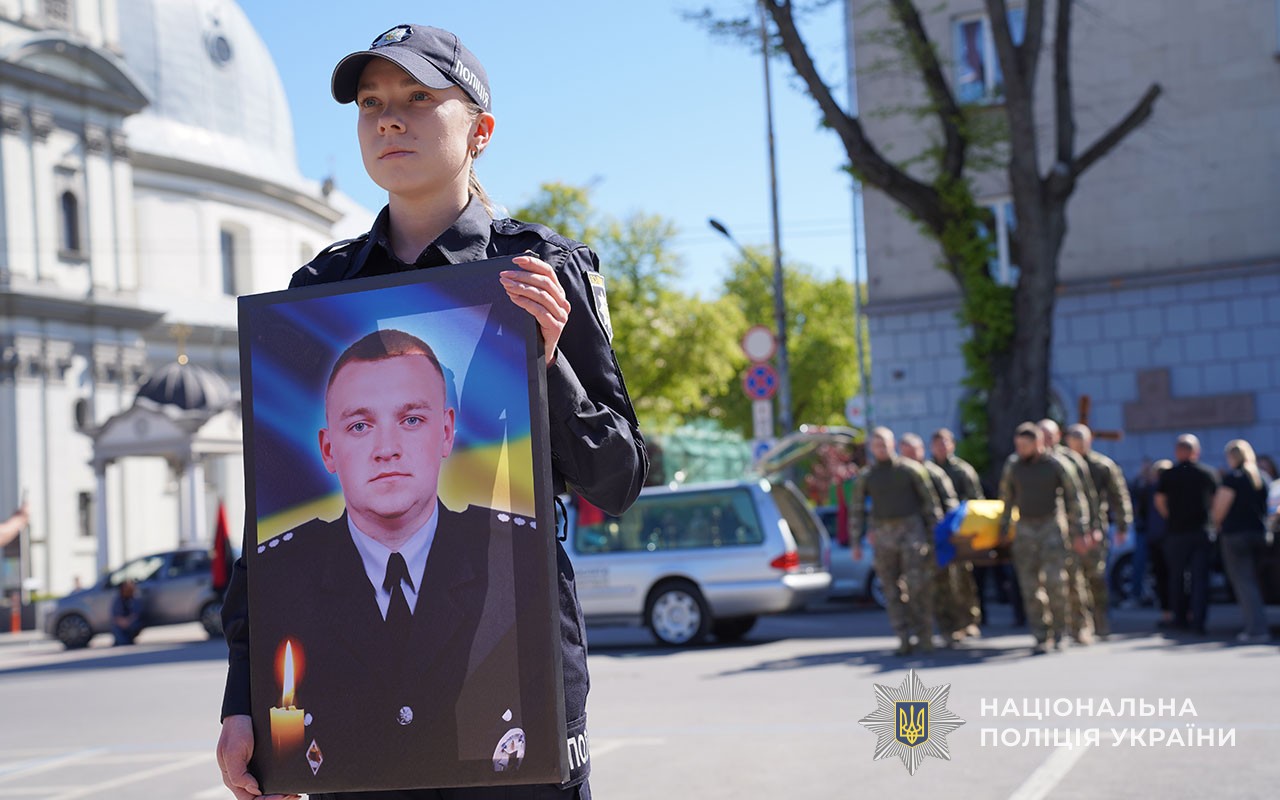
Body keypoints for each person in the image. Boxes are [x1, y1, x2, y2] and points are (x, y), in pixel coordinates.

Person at [216, 23, 648, 800]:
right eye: (372, 102)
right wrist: (243, 704)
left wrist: (548, 363)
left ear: (479, 130)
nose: (389, 118)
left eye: (420, 98)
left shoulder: (542, 270)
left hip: (513, 692)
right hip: (350, 717)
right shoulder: (316, 292)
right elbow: (266, 525)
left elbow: (616, 479)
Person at [245, 329, 533, 791]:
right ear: (327, 449)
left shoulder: (515, 558)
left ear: (445, 431)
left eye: (412, 420)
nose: (386, 448)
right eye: (360, 425)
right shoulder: (282, 577)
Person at [850, 427, 943, 655]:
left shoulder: (911, 470)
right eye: (877, 445)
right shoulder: (867, 476)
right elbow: (857, 510)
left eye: (885, 444)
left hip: (912, 533)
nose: (881, 449)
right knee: (891, 590)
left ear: (893, 444)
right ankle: (903, 637)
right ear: (872, 448)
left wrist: (936, 536)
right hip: (883, 537)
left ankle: (925, 636)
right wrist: (855, 541)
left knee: (917, 586)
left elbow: (930, 503)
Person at [998, 423, 1088, 655]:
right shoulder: (1013, 465)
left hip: (1051, 527)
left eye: (1025, 446)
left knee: (1055, 582)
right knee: (1029, 586)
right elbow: (1006, 497)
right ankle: (1041, 634)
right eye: (1018, 446)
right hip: (1025, 528)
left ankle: (1061, 632)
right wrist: (1004, 528)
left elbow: (1075, 498)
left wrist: (1080, 530)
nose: (1020, 450)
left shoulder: (1057, 464)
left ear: (1038, 443)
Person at [1065, 424, 1133, 639]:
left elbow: (1119, 495)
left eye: (1081, 443)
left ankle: (1100, 619)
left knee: (1096, 575)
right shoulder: (1062, 464)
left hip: (1096, 527)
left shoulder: (1103, 466)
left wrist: (1123, 525)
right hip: (1068, 529)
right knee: (1073, 578)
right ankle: (1080, 624)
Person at [1039, 419, 1098, 644]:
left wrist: (1088, 528)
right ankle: (1056, 627)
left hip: (1071, 529)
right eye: (1040, 434)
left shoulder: (1069, 460)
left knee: (1074, 580)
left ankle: (1081, 625)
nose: (1044, 439)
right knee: (1050, 581)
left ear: (1057, 436)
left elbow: (1086, 496)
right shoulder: (1034, 462)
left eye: (1048, 434)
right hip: (1047, 531)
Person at [1154, 434, 1219, 636]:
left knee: (1177, 577)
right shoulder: (1207, 473)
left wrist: (1170, 517)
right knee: (1200, 579)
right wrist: (1212, 521)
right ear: (1196, 452)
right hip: (1200, 531)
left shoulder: (1169, 475)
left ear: (1177, 452)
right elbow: (1216, 501)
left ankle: (1180, 618)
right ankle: (1198, 621)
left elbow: (1159, 501)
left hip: (1177, 533)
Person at [1211, 440, 1272, 643]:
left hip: (1236, 536)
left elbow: (1219, 509)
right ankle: (1258, 623)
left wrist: (1216, 525)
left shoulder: (1233, 478)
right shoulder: (1262, 477)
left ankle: (1256, 628)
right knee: (1255, 582)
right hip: (1260, 534)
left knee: (1244, 583)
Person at [930, 428, 985, 636]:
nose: (941, 447)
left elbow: (976, 501)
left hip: (961, 531)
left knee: (963, 578)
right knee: (942, 581)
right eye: (937, 444)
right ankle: (948, 624)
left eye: (945, 443)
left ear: (952, 444)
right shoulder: (927, 470)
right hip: (938, 532)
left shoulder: (962, 471)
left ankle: (969, 620)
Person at [110, 580, 143, 646]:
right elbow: (116, 616)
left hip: (131, 622)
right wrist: (122, 621)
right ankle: (122, 642)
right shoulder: (118, 601)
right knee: (116, 627)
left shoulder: (135, 600)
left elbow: (136, 614)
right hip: (121, 623)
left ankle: (125, 641)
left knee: (134, 625)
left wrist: (128, 621)